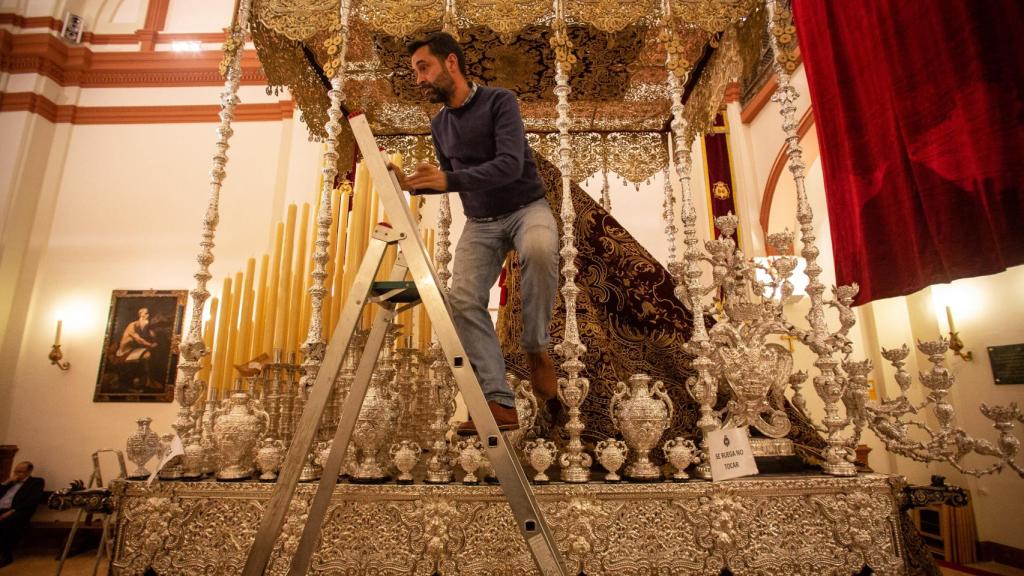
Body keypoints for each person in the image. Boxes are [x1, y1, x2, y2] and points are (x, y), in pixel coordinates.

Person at [394, 31, 559, 435]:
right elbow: (452, 177)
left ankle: (535, 346)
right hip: (481, 222)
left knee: (539, 247)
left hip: (526, 208)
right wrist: (411, 184)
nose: (419, 79)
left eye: (423, 67)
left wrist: (447, 179)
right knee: (463, 300)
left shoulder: (500, 101)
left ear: (451, 62)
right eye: (415, 71)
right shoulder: (439, 124)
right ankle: (498, 400)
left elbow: (509, 165)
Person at [0, 461, 45, 567]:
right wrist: (6, 483)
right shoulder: (9, 483)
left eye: (20, 472)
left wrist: (11, 511)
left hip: (18, 510)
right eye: (15, 471)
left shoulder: (36, 482)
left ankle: (5, 555)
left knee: (7, 522)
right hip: (1, 508)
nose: (16, 474)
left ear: (28, 472)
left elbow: (31, 500)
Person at [116, 307, 158, 390]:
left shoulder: (144, 327)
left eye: (148, 313)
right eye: (146, 313)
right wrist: (150, 345)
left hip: (132, 350)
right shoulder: (132, 325)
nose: (148, 315)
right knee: (147, 356)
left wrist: (151, 334)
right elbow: (139, 340)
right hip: (124, 353)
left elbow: (150, 337)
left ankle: (148, 381)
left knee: (149, 355)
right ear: (140, 314)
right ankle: (143, 381)